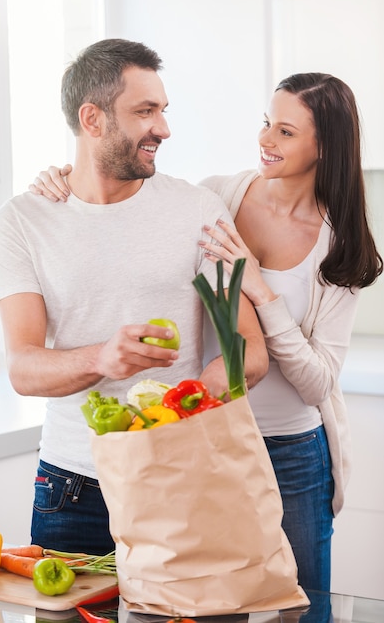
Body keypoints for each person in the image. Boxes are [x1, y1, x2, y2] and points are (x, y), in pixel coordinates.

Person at [31, 72, 383, 594]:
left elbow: (317, 384)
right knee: (211, 600)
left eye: (285, 132)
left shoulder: (341, 244)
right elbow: (128, 187)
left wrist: (261, 292)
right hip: (203, 438)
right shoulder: (218, 195)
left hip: (291, 452)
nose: (265, 140)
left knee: (300, 602)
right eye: (267, 123)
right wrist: (64, 177)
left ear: (324, 145)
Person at [0, 39, 268, 557]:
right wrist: (103, 358)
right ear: (92, 119)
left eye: (163, 110)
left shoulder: (196, 211)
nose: (163, 128)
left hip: (182, 475)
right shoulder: (22, 222)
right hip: (73, 489)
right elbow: (23, 368)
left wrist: (193, 401)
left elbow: (246, 350)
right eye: (145, 111)